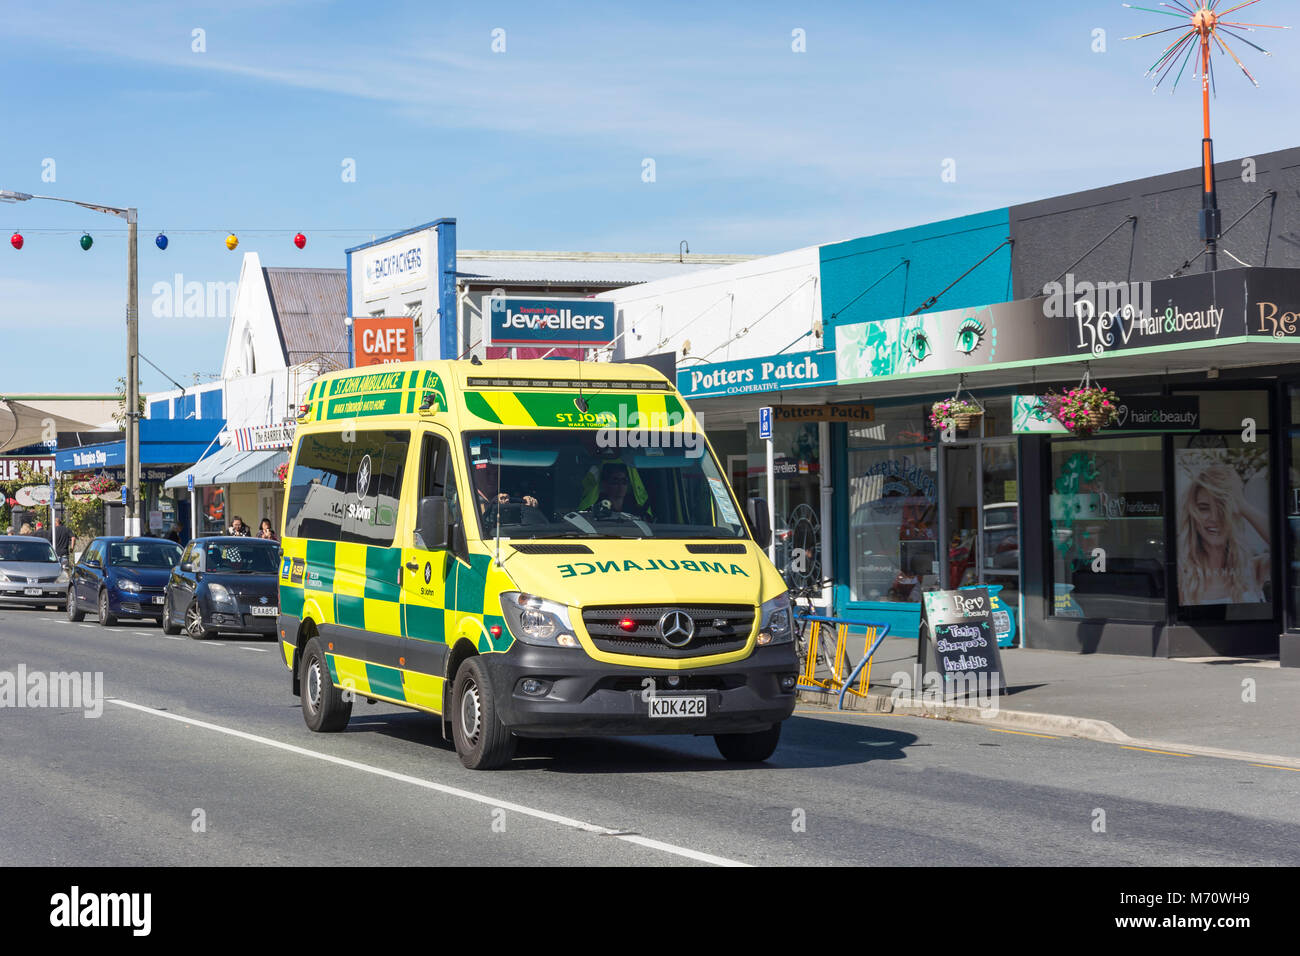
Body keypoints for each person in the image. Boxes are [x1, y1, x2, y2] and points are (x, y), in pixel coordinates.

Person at [1177, 462, 1270, 605]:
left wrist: (1242, 504)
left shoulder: (1254, 568)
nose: (1214, 518)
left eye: (1222, 509)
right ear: (1193, 515)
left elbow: (1289, 543)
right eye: (1204, 508)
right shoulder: (1183, 576)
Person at [579, 461, 651, 519]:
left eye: (624, 481)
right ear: (604, 484)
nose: (620, 486)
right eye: (615, 481)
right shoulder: (595, 508)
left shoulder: (637, 509)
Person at [473, 467, 537, 514]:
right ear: (474, 472)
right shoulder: (468, 497)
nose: (492, 478)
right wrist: (493, 504)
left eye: (496, 474)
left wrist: (527, 504)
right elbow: (478, 521)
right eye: (488, 473)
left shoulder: (508, 495)